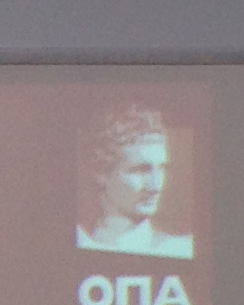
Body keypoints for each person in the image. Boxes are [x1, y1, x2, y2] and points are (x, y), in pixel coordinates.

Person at [75, 105, 194, 258]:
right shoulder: (79, 244)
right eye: (141, 170)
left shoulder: (182, 249)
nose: (156, 186)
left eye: (162, 168)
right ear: (101, 172)